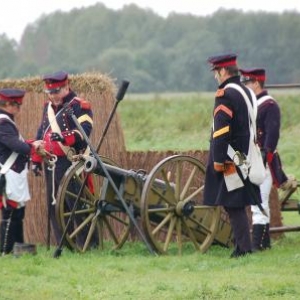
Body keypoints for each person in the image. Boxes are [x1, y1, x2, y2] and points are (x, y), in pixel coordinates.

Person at [203, 53, 262, 258]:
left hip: (230, 157)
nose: (215, 77)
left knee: (233, 202)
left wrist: (218, 160)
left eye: (216, 72)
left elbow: (221, 131)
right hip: (244, 155)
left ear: (223, 71)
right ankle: (241, 245)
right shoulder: (246, 91)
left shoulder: (226, 94)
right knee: (237, 200)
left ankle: (243, 249)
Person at [31, 71, 93, 245]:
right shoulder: (48, 108)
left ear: (66, 87)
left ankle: (86, 244)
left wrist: (65, 137)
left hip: (71, 161)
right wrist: (36, 160)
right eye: (50, 92)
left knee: (76, 204)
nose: (53, 96)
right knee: (55, 206)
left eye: (56, 91)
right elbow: (41, 134)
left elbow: (86, 130)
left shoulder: (80, 105)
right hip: (51, 163)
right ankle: (64, 245)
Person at [240, 68, 296, 251]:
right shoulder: (252, 104)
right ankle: (263, 244)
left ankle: (259, 244)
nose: (245, 86)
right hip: (251, 159)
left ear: (256, 83)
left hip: (263, 160)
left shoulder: (269, 105)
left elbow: (272, 136)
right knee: (256, 202)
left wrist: (265, 156)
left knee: (259, 202)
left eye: (247, 82)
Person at [0, 88, 40, 255]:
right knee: (10, 214)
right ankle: (5, 251)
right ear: (8, 104)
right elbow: (17, 146)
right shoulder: (4, 122)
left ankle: (19, 247)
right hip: (9, 174)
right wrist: (33, 146)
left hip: (14, 174)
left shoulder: (7, 121)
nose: (19, 108)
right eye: (17, 105)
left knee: (18, 213)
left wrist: (30, 145)